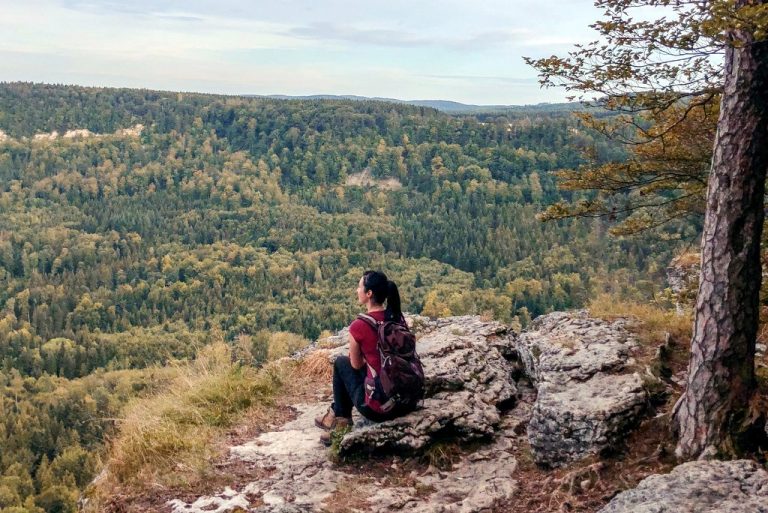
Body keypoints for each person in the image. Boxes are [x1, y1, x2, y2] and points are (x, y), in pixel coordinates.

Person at [315, 270, 411, 445]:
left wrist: (367, 359)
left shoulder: (359, 326)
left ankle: (341, 421)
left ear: (369, 294)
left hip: (380, 408)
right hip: (406, 400)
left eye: (359, 287)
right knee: (361, 369)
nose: (356, 290)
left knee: (341, 363)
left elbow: (356, 364)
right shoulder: (397, 318)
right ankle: (335, 413)